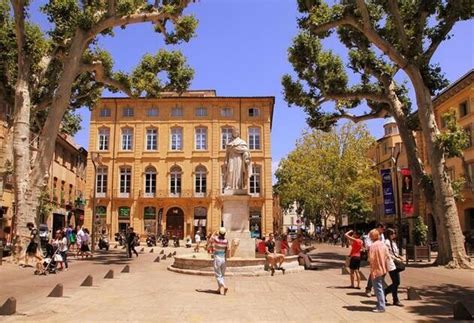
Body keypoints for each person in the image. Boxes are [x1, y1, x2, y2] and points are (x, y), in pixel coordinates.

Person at [368, 229, 389, 313]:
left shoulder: (373, 246)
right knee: (380, 287)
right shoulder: (382, 244)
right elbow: (387, 255)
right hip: (383, 268)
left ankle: (381, 306)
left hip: (376, 269)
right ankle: (380, 303)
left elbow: (371, 259)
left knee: (378, 288)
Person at [364, 223, 385, 297]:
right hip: (374, 255)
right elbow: (368, 245)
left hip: (381, 255)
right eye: (383, 229)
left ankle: (378, 289)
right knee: (374, 272)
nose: (383, 231)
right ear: (379, 227)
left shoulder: (381, 235)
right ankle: (368, 289)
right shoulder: (371, 233)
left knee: (382, 272)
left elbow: (383, 244)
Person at [384, 228, 403, 306]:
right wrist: (396, 258)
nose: (394, 235)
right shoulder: (386, 242)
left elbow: (395, 252)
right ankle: (394, 298)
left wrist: (400, 256)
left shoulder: (393, 242)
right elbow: (387, 253)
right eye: (393, 233)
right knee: (396, 282)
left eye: (395, 233)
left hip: (395, 263)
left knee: (396, 282)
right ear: (389, 234)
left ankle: (390, 296)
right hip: (391, 263)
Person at [210, 227, 229, 295]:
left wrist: (215, 232)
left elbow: (211, 238)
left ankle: (224, 286)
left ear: (219, 233)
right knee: (222, 275)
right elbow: (227, 250)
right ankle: (219, 289)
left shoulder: (216, 239)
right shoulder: (226, 241)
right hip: (223, 258)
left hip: (217, 257)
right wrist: (226, 258)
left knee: (218, 274)